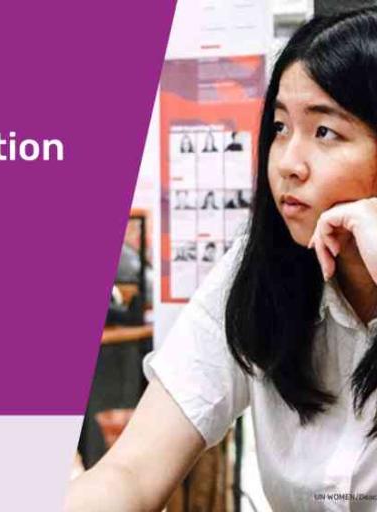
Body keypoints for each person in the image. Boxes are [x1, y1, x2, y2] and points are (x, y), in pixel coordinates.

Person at [65, 8, 377, 512]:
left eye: (325, 132)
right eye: (279, 127)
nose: (288, 163)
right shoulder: (259, 274)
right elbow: (132, 471)